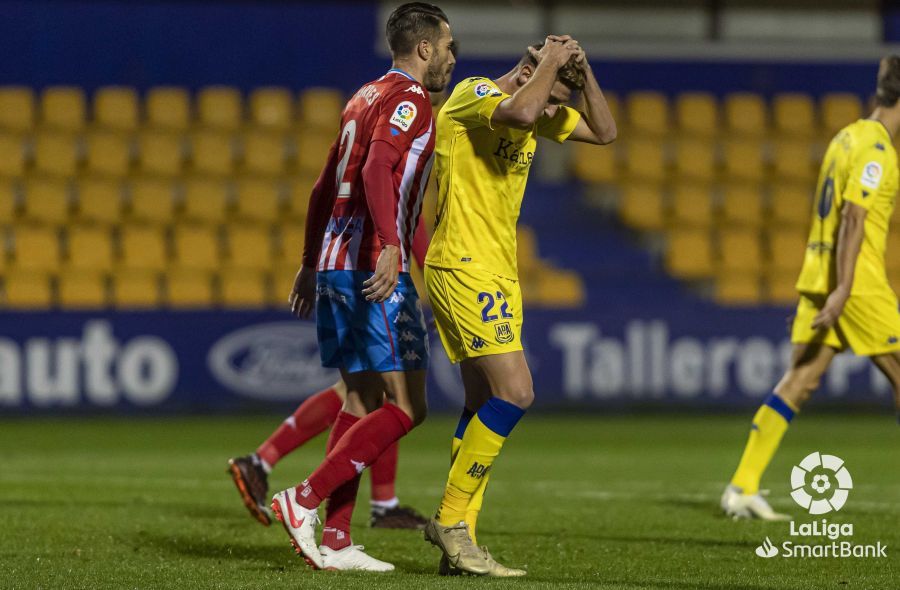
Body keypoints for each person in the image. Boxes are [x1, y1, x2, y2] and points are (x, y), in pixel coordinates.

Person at [268, 2, 456, 572]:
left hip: (333, 263)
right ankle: (303, 499)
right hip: (371, 269)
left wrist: (307, 261)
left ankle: (339, 538)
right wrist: (393, 246)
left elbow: (324, 185)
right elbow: (377, 170)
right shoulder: (411, 102)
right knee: (408, 406)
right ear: (424, 48)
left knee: (362, 398)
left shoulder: (362, 98)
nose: (451, 57)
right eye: (448, 46)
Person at [421, 36, 616, 575]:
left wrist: (584, 71)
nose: (560, 105)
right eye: (559, 90)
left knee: (481, 401)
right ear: (532, 70)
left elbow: (604, 131)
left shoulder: (539, 110)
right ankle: (451, 520)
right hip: (463, 265)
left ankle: (463, 545)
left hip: (497, 271)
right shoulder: (473, 93)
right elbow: (522, 108)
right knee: (517, 391)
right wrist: (550, 61)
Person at [721, 56, 900, 520]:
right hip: (854, 283)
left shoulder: (846, 137)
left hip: (819, 276)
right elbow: (855, 218)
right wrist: (842, 291)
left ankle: (742, 487)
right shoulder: (877, 152)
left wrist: (824, 289)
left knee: (800, 381)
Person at [226, 220, 431, 532]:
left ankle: (263, 461)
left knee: (362, 391)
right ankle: (359, 506)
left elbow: (324, 193)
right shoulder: (387, 172)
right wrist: (429, 268)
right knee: (382, 393)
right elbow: (399, 207)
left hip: (340, 268)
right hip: (368, 273)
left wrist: (310, 264)